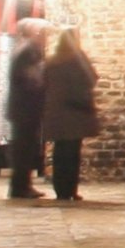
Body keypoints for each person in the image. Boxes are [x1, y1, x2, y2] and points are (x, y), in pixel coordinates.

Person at [40, 27, 99, 202]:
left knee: (59, 153)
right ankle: (71, 190)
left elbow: (41, 84)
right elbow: (92, 78)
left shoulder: (51, 61)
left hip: (56, 112)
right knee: (72, 153)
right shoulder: (78, 59)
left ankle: (60, 191)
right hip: (75, 111)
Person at [4, 33, 46, 200]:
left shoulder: (23, 50)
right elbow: (32, 79)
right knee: (23, 150)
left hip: (22, 109)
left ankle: (22, 185)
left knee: (24, 150)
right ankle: (20, 187)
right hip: (25, 109)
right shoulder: (28, 52)